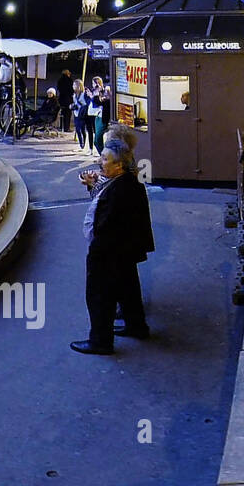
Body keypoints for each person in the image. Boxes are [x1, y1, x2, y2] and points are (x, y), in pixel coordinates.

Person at [70, 135, 155, 355]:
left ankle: (100, 340)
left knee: (100, 294)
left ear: (118, 164)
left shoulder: (120, 189)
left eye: (105, 159)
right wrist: (92, 186)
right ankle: (136, 326)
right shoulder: (125, 182)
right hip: (125, 250)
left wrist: (96, 252)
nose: (100, 162)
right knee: (128, 287)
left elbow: (107, 218)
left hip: (110, 251)